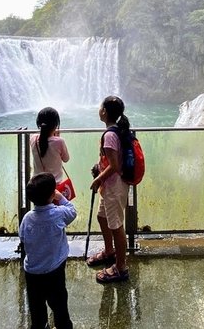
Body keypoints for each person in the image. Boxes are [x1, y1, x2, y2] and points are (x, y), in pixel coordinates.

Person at [19, 172, 77, 329]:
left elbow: (23, 238)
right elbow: (72, 211)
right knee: (59, 306)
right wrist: (61, 198)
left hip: (32, 273)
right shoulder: (58, 214)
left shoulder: (27, 218)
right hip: (54, 270)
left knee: (36, 309)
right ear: (52, 194)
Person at [86, 95, 131, 283]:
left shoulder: (110, 135)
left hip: (114, 187)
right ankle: (109, 251)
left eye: (100, 107)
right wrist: (100, 170)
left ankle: (121, 267)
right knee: (102, 217)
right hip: (110, 186)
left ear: (104, 111)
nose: (99, 109)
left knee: (117, 226)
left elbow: (113, 165)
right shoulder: (114, 131)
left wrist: (97, 178)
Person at [31, 107, 70, 183]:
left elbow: (44, 142)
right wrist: (57, 137)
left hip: (37, 185)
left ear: (39, 124)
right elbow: (66, 159)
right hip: (55, 185)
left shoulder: (33, 139)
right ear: (55, 125)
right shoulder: (59, 142)